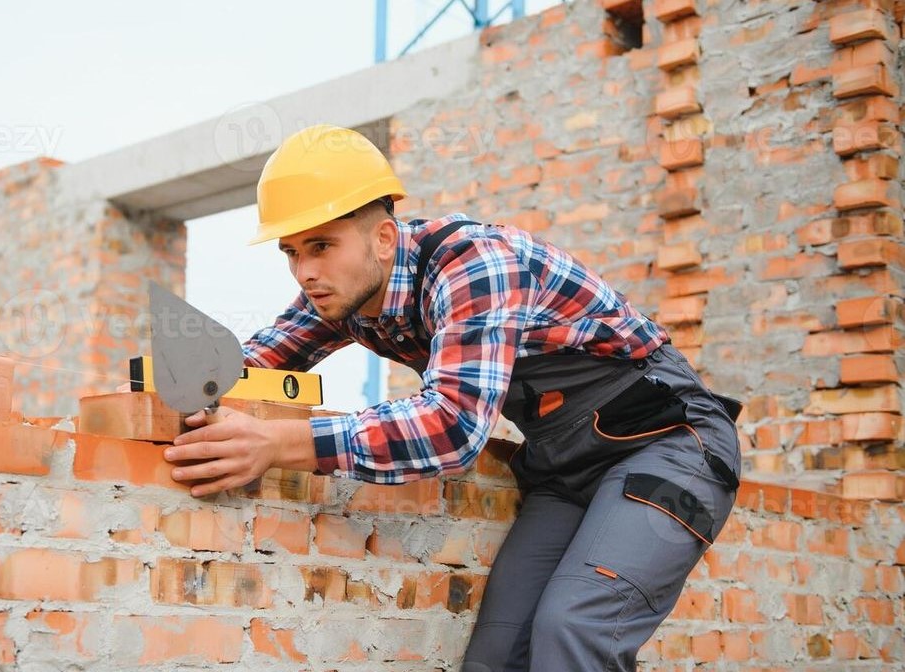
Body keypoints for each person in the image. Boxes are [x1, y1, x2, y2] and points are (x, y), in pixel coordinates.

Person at [162, 124, 742, 671]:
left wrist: (278, 442)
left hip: (668, 443)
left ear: (383, 237)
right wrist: (156, 390)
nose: (304, 272)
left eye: (320, 245)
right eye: (291, 251)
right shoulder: (346, 293)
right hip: (564, 467)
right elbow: (251, 364)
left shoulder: (474, 262)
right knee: (497, 654)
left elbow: (453, 424)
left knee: (575, 629)